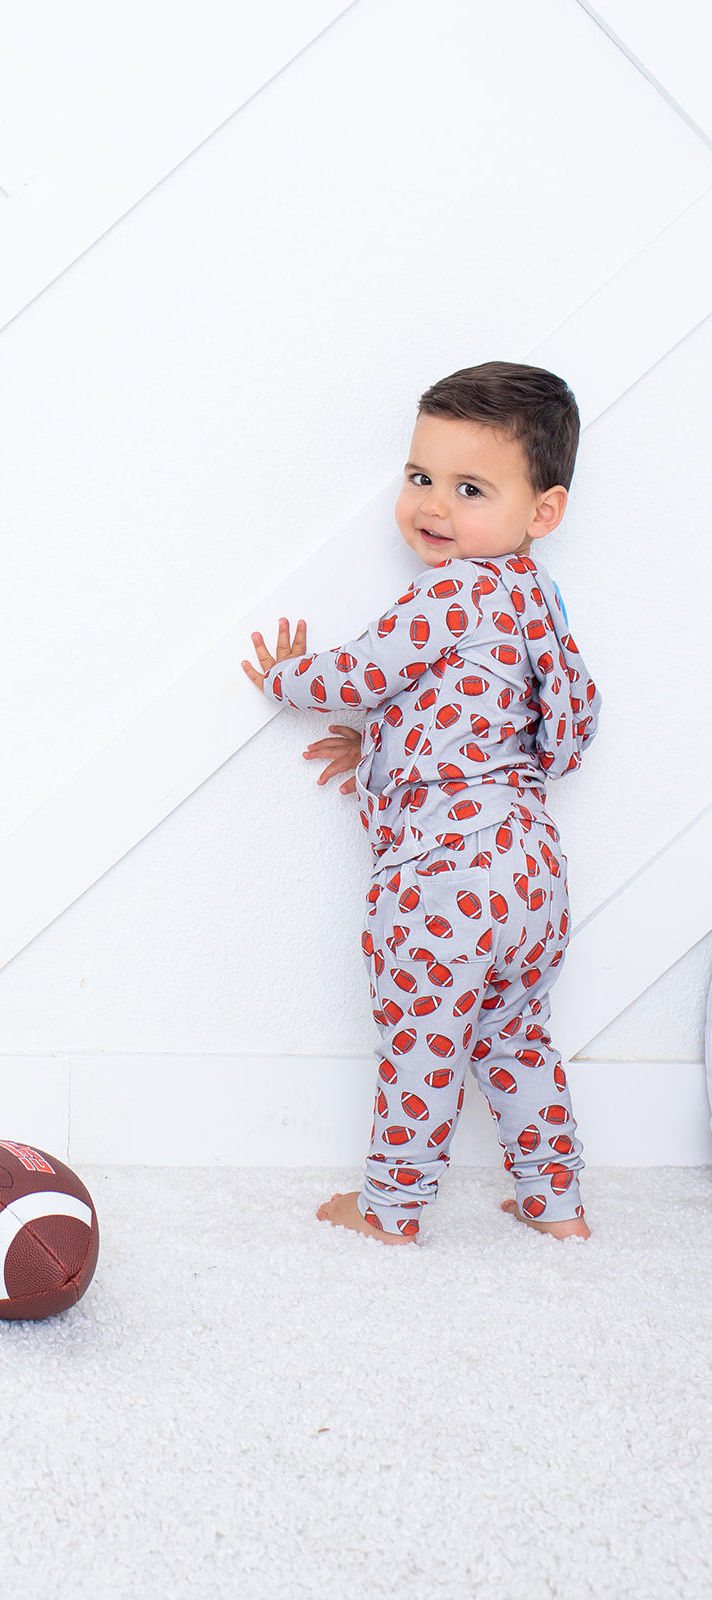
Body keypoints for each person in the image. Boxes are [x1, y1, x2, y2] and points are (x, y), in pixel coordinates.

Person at [241, 362, 600, 1243]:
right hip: (531, 872)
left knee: (422, 1041)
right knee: (516, 1040)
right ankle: (558, 1208)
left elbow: (365, 671)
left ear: (540, 512)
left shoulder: (450, 590)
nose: (432, 507)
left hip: (445, 878)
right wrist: (377, 747)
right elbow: (537, 728)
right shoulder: (534, 603)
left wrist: (288, 677)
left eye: (468, 488)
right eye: (419, 478)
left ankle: (391, 1210)